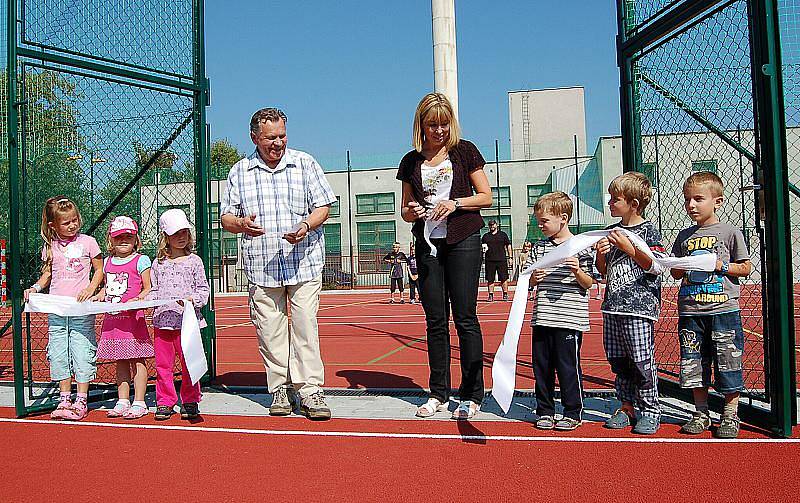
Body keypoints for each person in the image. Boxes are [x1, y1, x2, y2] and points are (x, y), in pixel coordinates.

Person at [220, 107, 337, 420]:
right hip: (261, 266)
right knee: (270, 331)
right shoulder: (239, 171)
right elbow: (226, 217)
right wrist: (241, 223)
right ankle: (280, 389)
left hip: (305, 262)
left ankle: (310, 391)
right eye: (270, 137)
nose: (278, 142)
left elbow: (323, 206)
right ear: (254, 137)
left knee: (305, 327)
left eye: (282, 135)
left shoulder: (305, 163)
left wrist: (306, 226)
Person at [397, 92, 493, 420]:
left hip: (463, 239)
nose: (438, 130)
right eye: (431, 124)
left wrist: (455, 203)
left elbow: (486, 196)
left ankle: (471, 394)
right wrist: (413, 211)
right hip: (428, 246)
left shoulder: (464, 151)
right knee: (435, 321)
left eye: (443, 123)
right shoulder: (411, 161)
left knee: (465, 318)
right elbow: (405, 211)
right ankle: (438, 392)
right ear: (421, 126)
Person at [669, 172, 752, 438]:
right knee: (693, 364)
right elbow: (675, 273)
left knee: (728, 363)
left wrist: (721, 266)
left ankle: (730, 415)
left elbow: (746, 268)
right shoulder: (684, 236)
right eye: (687, 200)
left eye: (698, 199)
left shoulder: (729, 232)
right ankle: (701, 412)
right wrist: (677, 265)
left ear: (717, 201)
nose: (691, 205)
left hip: (723, 311)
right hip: (691, 312)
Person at [595, 172, 665, 435]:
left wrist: (629, 248)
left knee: (640, 359)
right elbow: (603, 272)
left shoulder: (648, 231)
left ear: (634, 204)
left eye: (616, 199)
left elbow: (655, 266)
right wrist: (601, 256)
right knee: (619, 360)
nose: (610, 203)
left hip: (638, 307)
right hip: (612, 306)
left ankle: (650, 409)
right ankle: (626, 406)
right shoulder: (612, 233)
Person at [24, 196, 104, 421]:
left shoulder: (88, 242)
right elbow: (48, 275)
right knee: (59, 352)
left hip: (80, 309)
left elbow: (99, 269)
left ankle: (81, 399)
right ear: (53, 225)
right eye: (67, 222)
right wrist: (35, 288)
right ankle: (64, 398)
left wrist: (91, 288)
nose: (73, 225)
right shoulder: (50, 247)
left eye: (75, 220)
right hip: (58, 310)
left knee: (82, 350)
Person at [528, 192, 594, 431]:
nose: (540, 225)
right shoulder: (539, 248)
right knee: (542, 367)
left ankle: (573, 411)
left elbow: (589, 284)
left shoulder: (580, 246)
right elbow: (527, 280)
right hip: (543, 317)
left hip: (569, 319)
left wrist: (578, 271)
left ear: (563, 218)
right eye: (539, 220)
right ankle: (545, 410)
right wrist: (534, 278)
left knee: (568, 367)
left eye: (544, 220)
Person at [149, 209, 210, 421]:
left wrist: (194, 300)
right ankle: (165, 401)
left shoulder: (195, 261)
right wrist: (148, 300)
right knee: (163, 366)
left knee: (189, 363)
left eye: (184, 231)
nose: (182, 237)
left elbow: (203, 289)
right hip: (163, 324)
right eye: (176, 233)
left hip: (188, 325)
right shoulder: (158, 264)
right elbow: (154, 290)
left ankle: (191, 400)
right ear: (165, 236)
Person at [97, 216, 154, 420]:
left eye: (128, 236)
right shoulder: (107, 262)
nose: (123, 240)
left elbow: (148, 288)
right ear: (111, 240)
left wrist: (139, 298)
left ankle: (139, 402)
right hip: (113, 321)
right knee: (120, 361)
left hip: (133, 321)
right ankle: (123, 400)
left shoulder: (141, 260)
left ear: (135, 239)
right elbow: (107, 287)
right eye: (119, 236)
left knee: (138, 360)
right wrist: (99, 295)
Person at [481, 220, 512, 301]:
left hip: (501, 259)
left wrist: (510, 257)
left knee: (504, 278)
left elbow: (508, 245)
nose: (492, 226)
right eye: (490, 225)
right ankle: (490, 295)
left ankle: (505, 294)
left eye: (493, 224)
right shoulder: (485, 236)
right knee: (490, 279)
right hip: (489, 260)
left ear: (496, 225)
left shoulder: (503, 235)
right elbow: (482, 248)